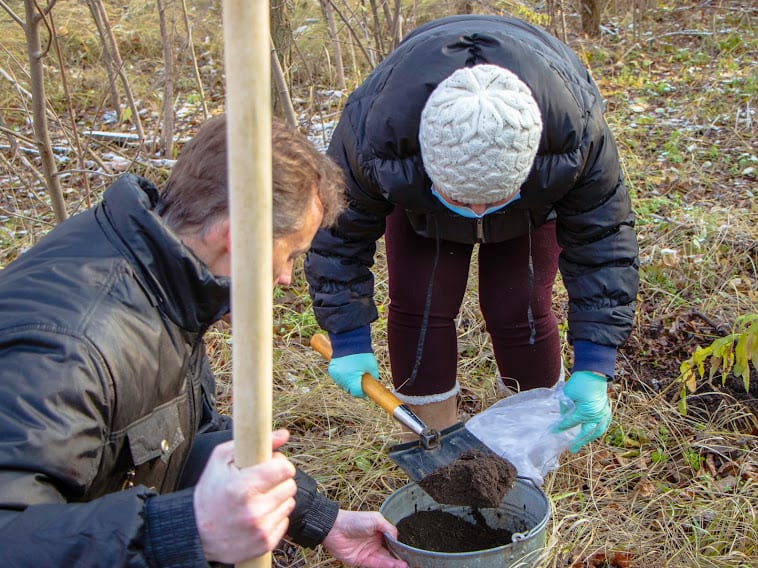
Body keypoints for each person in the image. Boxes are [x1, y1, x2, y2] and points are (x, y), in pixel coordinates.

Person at [0, 115, 406, 568]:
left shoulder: (166, 280)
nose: (288, 278)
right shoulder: (71, 347)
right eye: (289, 253)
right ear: (236, 237)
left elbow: (181, 437)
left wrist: (322, 520)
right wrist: (178, 531)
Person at [304, 14, 639, 453]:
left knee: (516, 302)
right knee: (422, 302)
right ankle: (432, 448)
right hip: (420, 203)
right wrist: (347, 337)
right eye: (463, 200)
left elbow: (604, 241)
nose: (477, 213)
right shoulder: (377, 133)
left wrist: (595, 364)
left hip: (533, 203)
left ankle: (529, 442)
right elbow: (339, 236)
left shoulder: (573, 132)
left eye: (492, 198)